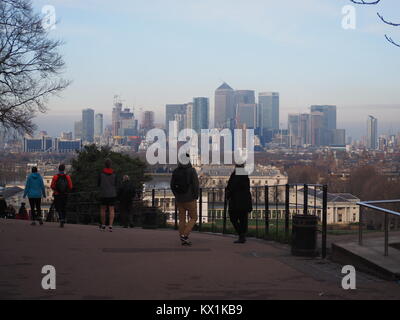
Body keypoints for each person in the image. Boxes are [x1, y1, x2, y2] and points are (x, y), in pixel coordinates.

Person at [170, 153, 199, 246]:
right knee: (194, 217)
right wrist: (196, 195)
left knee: (182, 219)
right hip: (190, 198)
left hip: (179, 199)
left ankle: (183, 239)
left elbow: (172, 185)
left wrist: (176, 195)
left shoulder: (175, 171)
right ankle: (185, 235)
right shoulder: (191, 170)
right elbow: (195, 185)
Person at [226, 163, 252, 244]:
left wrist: (228, 194)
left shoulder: (237, 174)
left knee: (233, 218)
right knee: (242, 219)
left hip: (236, 201)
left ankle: (241, 235)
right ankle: (242, 235)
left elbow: (232, 186)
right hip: (244, 200)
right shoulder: (244, 174)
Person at [51, 164, 73, 228]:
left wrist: (55, 190)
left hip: (57, 194)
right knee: (64, 206)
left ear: (58, 169)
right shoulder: (67, 177)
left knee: (58, 207)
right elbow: (71, 186)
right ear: (64, 169)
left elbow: (52, 186)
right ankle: (63, 218)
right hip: (65, 194)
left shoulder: (55, 177)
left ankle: (60, 218)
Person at [98, 158, 117, 232]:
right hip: (112, 193)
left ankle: (103, 225)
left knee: (103, 209)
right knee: (111, 209)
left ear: (104, 165)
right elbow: (116, 184)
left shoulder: (101, 173)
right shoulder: (114, 173)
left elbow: (98, 184)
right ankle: (110, 226)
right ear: (111, 165)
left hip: (103, 193)